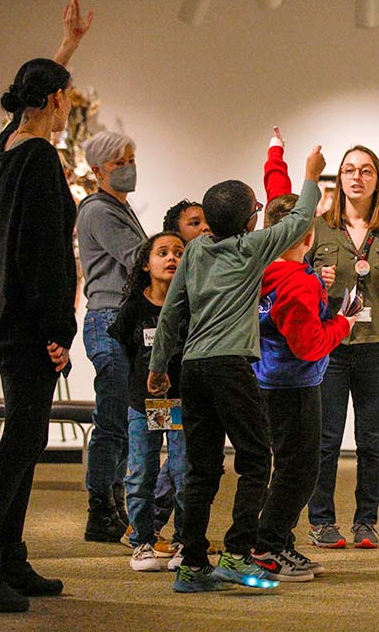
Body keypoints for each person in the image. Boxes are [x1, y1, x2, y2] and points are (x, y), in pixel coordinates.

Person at [0, 0, 92, 613]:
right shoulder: (38, 159)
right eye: (66, 97)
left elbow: (27, 101)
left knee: (28, 439)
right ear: (57, 101)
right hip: (30, 323)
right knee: (21, 443)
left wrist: (65, 50)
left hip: (9, 317)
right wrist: (59, 328)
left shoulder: (2, 148)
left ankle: (9, 555)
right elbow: (43, 256)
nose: (68, 109)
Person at [148, 143, 325, 594]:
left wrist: (158, 365)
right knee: (255, 459)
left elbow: (171, 312)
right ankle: (236, 552)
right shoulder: (251, 249)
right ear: (249, 221)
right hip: (231, 367)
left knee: (201, 468)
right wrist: (309, 173)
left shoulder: (194, 252)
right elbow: (301, 219)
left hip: (192, 367)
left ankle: (192, 566)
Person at [249, 133, 357, 581]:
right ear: (307, 235)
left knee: (287, 464)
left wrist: (277, 155)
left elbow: (278, 193)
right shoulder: (297, 281)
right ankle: (268, 546)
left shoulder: (260, 262)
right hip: (293, 384)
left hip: (266, 379)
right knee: (300, 470)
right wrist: (344, 322)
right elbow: (310, 344)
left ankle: (280, 543)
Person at [307, 145, 379, 550]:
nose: (357, 177)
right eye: (349, 170)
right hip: (329, 348)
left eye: (366, 171)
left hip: (376, 349)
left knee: (372, 440)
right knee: (326, 439)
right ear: (339, 179)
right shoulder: (319, 229)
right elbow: (300, 287)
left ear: (377, 180)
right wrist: (320, 280)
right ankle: (321, 522)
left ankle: (366, 522)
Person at [78, 130, 149, 541]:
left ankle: (116, 504)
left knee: (125, 417)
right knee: (112, 421)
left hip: (125, 320)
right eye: (119, 162)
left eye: (131, 157)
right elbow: (138, 259)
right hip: (108, 319)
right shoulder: (98, 211)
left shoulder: (122, 208)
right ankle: (100, 508)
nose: (128, 167)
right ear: (98, 169)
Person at [109, 232, 188, 573]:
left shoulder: (191, 304)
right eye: (163, 253)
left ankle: (185, 540)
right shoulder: (132, 309)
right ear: (146, 263)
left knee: (185, 472)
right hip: (143, 405)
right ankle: (142, 541)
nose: (172, 258)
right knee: (141, 472)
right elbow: (127, 349)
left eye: (179, 253)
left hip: (183, 403)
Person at [151, 199, 211, 553]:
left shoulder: (205, 267)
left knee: (185, 456)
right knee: (172, 458)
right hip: (166, 388)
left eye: (206, 222)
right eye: (194, 223)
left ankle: (181, 533)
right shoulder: (170, 285)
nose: (204, 228)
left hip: (193, 380)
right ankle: (151, 527)